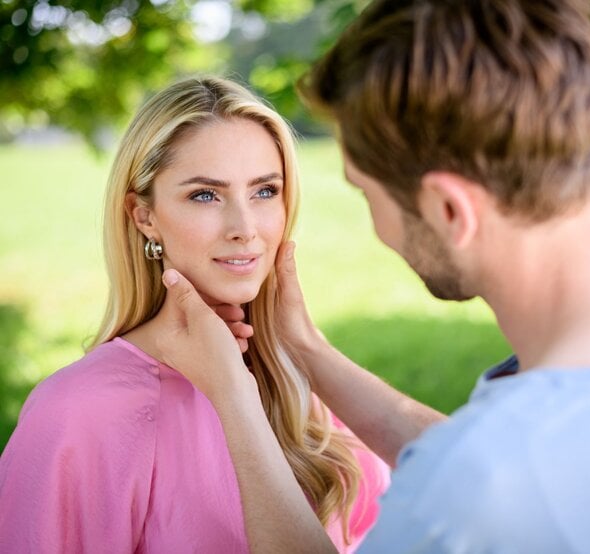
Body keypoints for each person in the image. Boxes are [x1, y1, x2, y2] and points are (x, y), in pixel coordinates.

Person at [153, 0, 590, 552]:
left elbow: (481, 474)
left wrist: (234, 397)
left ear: (448, 211)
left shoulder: (473, 492)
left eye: (366, 193)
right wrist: (305, 347)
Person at [0, 77, 390, 553]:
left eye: (265, 191)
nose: (244, 229)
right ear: (144, 216)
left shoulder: (296, 379)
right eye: (206, 195)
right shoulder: (77, 412)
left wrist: (305, 350)